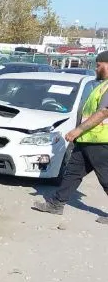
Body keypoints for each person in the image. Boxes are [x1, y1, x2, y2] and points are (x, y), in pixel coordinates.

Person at [32, 51, 108, 222]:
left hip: (100, 142)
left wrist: (77, 130)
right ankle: (56, 204)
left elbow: (103, 112)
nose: (96, 68)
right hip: (88, 140)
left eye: (99, 65)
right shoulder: (102, 85)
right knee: (72, 173)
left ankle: (56, 203)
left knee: (106, 178)